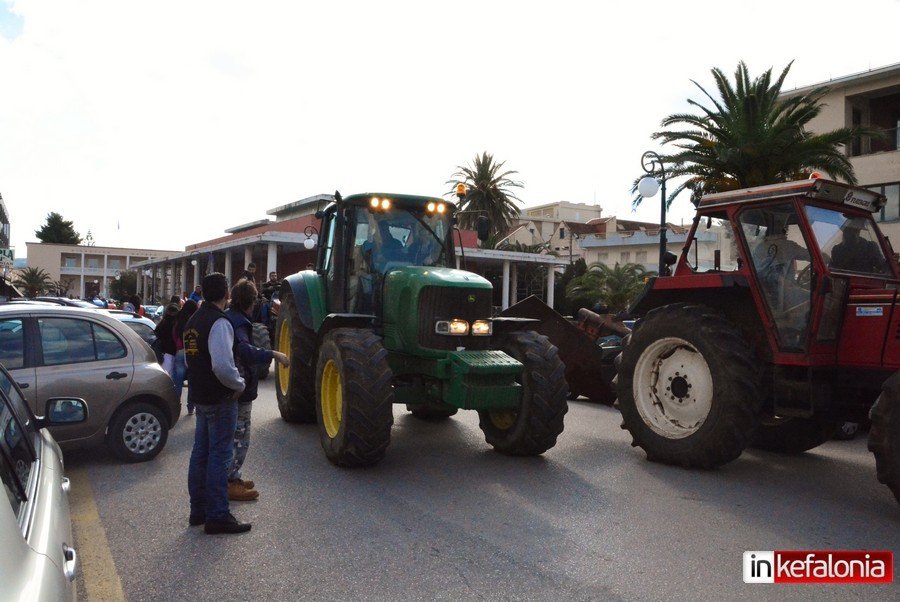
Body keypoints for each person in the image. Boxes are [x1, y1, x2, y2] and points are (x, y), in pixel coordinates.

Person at [185, 272, 249, 535]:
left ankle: (198, 510)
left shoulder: (193, 320)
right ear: (227, 294)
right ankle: (218, 515)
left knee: (200, 455)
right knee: (220, 457)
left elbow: (192, 360)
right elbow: (222, 365)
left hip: (201, 397)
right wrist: (239, 384)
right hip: (220, 399)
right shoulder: (219, 322)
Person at [224, 280, 289, 502]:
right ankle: (230, 481)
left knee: (233, 435)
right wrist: (273, 354)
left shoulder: (230, 317)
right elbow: (244, 350)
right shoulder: (240, 323)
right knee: (240, 437)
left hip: (234, 388)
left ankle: (233, 476)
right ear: (250, 301)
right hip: (239, 390)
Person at [173, 300, 199, 414]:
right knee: (192, 381)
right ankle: (190, 407)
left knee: (178, 380)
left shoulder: (178, 318)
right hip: (191, 351)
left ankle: (175, 405)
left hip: (179, 350)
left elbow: (173, 333)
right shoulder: (194, 320)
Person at [154, 304, 180, 376]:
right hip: (171, 352)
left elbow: (156, 332)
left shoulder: (163, 323)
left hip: (164, 352)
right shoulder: (175, 324)